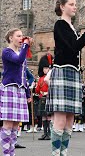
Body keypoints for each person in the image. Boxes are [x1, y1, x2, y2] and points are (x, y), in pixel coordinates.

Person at [46, 0, 85, 156]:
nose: (75, 6)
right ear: (62, 6)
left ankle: (63, 153)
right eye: (71, 4)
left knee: (69, 121)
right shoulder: (60, 24)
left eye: (75, 4)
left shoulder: (71, 27)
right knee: (60, 119)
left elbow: (75, 46)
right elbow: (74, 47)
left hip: (73, 73)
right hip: (63, 71)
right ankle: (56, 154)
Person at [0, 28, 33, 156]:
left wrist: (28, 93)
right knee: (8, 123)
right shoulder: (6, 52)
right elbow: (18, 60)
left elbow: (24, 75)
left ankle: (11, 153)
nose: (21, 38)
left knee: (15, 125)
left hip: (20, 90)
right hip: (9, 88)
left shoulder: (21, 54)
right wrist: (26, 45)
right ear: (10, 38)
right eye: (18, 36)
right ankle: (6, 154)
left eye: (22, 36)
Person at [36, 53, 53, 140]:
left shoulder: (51, 77)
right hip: (42, 98)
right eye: (44, 68)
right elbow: (37, 90)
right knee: (43, 116)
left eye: (47, 68)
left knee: (49, 116)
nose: (45, 70)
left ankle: (49, 133)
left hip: (48, 97)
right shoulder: (41, 78)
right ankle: (45, 133)